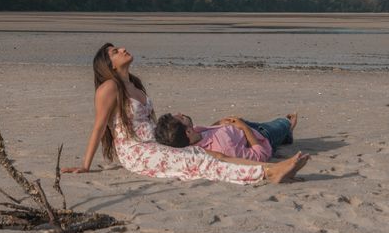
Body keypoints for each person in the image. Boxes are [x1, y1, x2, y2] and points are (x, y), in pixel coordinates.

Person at [61, 43, 308, 184]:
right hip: (137, 150)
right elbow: (98, 126)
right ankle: (266, 173)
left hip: (157, 142)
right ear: (109, 65)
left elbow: (151, 122)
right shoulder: (109, 88)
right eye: (115, 51)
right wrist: (85, 165)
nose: (122, 49)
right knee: (197, 160)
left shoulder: (134, 83)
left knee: (211, 153)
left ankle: (267, 167)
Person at [154, 112, 299, 162]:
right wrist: (243, 127)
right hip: (262, 136)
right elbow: (261, 155)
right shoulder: (225, 149)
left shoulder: (193, 135)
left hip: (242, 127)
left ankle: (285, 136)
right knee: (283, 122)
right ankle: (288, 130)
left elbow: (208, 134)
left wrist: (219, 123)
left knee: (277, 127)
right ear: (187, 132)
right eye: (180, 118)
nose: (181, 113)